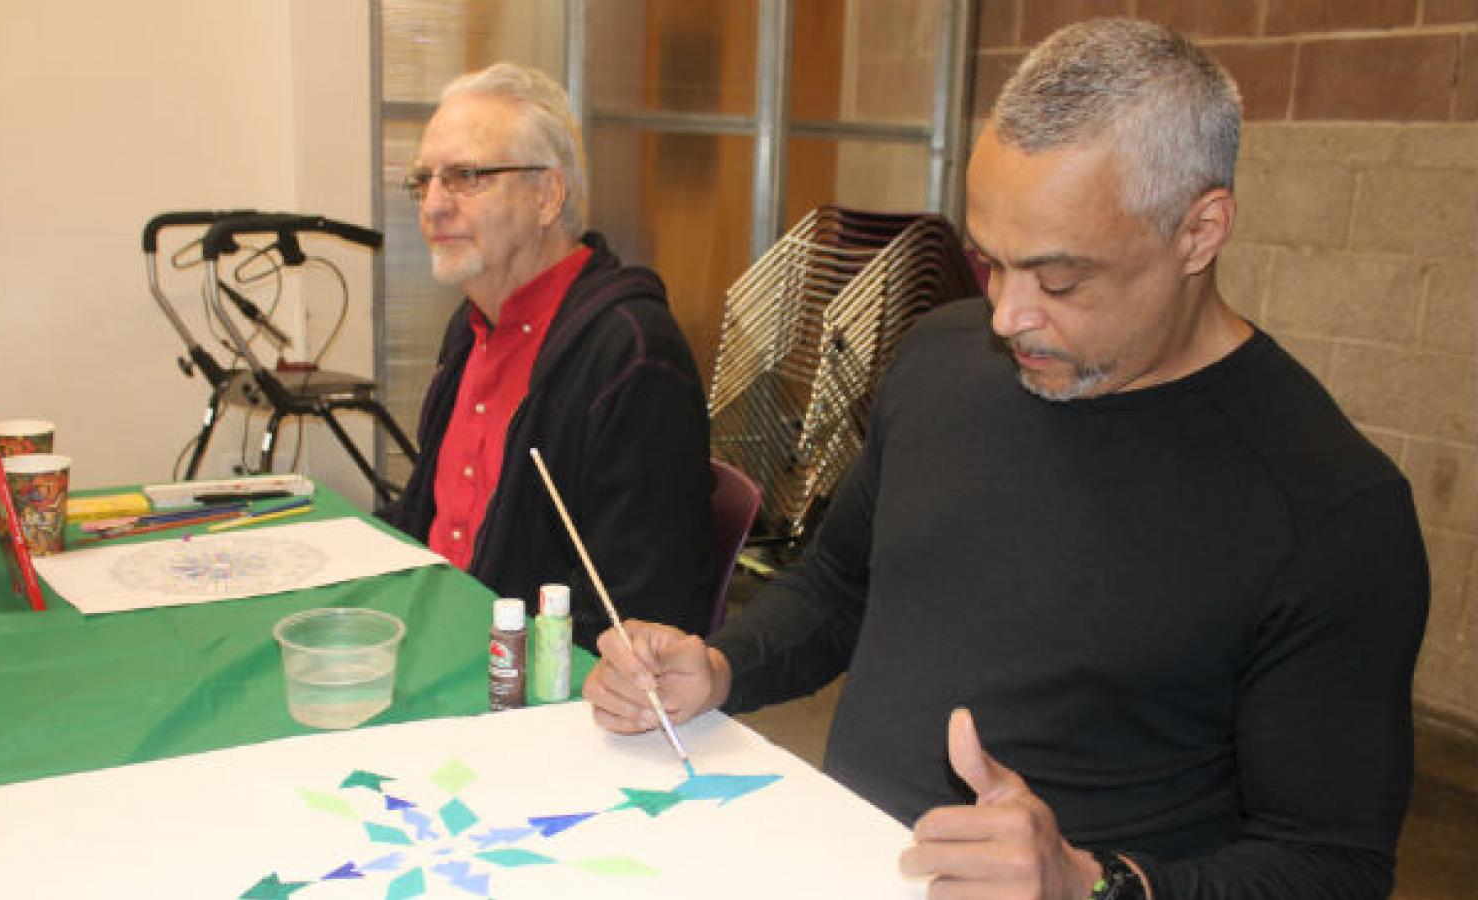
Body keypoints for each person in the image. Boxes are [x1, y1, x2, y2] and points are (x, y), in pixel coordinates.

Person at [584, 18, 1428, 900]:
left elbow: (1331, 864)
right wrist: (724, 665)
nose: (1007, 317)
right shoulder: (942, 358)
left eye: (1060, 281)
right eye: (990, 264)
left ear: (1199, 231)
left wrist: (1094, 886)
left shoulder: (1329, 510)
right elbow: (841, 585)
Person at [380, 63, 712, 647]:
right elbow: (427, 519)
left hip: (525, 689)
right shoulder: (470, 328)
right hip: (433, 636)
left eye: (466, 176)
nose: (432, 205)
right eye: (424, 180)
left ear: (546, 196)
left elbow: (629, 612)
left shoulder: (632, 354)